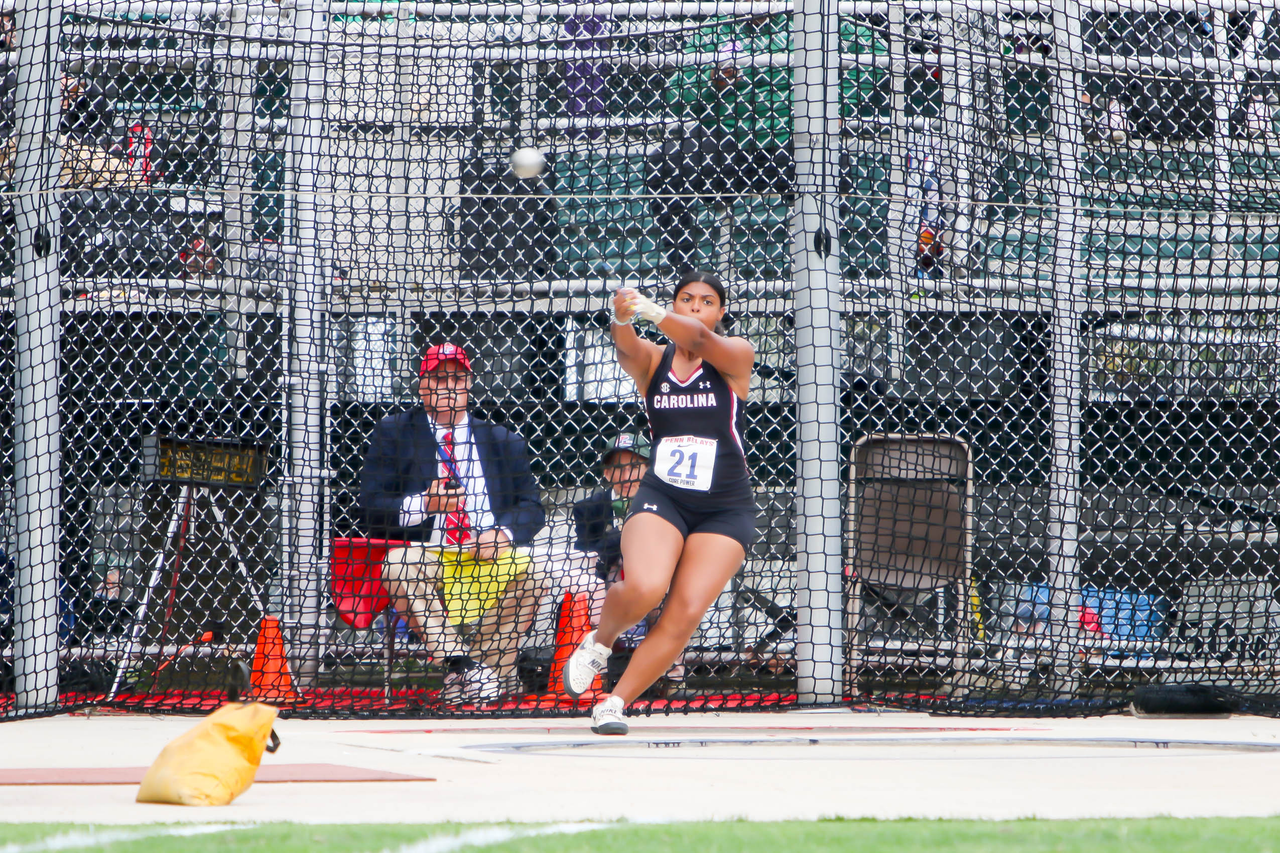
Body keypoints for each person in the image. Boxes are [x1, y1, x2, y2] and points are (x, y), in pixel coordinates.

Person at [563, 270, 757, 734]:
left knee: (685, 611)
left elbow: (696, 336)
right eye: (686, 299)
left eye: (706, 301)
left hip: (725, 507)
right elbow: (628, 347)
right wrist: (622, 315)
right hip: (664, 496)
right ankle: (599, 642)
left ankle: (615, 702)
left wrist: (651, 310)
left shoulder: (736, 355)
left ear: (720, 311)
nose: (695, 307)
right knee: (646, 585)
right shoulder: (657, 361)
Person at [359, 342, 547, 704]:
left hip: (487, 551)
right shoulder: (395, 432)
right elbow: (370, 508)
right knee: (398, 566)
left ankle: (482, 675)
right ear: (421, 385)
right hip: (430, 550)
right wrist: (424, 504)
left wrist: (501, 534)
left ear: (469, 385)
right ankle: (461, 666)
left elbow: (532, 507)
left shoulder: (502, 440)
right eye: (438, 378)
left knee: (538, 575)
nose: (448, 386)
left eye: (457, 378)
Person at [647, 14, 886, 272]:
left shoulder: (813, 15)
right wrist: (711, 79)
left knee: (832, 164)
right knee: (665, 163)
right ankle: (689, 281)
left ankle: (818, 282)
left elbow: (881, 56)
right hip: (728, 141)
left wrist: (836, 103)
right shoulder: (716, 27)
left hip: (794, 138)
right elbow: (674, 93)